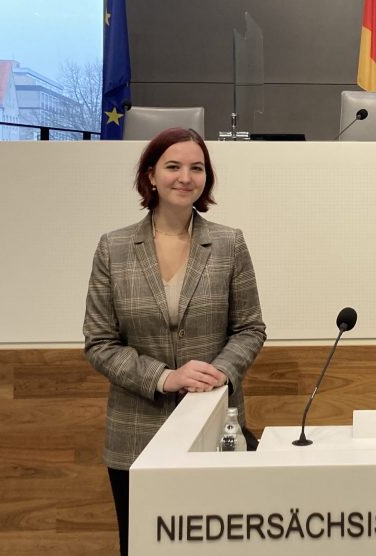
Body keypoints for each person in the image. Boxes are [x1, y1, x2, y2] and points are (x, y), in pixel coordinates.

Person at [82, 127, 266, 555]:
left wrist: (221, 371)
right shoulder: (113, 248)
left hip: (213, 424)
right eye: (173, 166)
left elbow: (250, 328)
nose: (186, 177)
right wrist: (165, 377)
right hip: (136, 435)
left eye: (197, 168)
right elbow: (99, 342)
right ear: (150, 176)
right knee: (143, 546)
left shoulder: (227, 243)